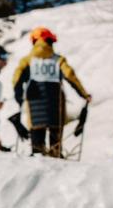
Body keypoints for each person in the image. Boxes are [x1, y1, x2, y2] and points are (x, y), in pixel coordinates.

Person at [12, 27, 91, 157]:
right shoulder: (58, 60)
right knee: (55, 144)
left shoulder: (27, 61)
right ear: (50, 41)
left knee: (37, 144)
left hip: (34, 106)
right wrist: (84, 95)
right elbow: (71, 76)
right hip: (56, 104)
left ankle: (37, 158)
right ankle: (56, 157)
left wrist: (19, 98)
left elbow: (17, 81)